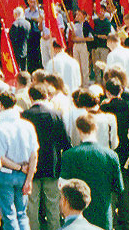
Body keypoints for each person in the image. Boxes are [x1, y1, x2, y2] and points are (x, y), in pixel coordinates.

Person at [61, 113, 123, 230]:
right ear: (96, 128)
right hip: (103, 213)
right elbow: (118, 187)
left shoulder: (69, 155)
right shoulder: (111, 155)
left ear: (79, 129)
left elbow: (63, 185)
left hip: (77, 214)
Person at [27, 84, 75, 230]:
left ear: (30, 97)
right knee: (53, 204)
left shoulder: (25, 115)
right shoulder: (56, 114)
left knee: (32, 205)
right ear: (46, 96)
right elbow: (66, 142)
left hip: (31, 166)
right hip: (52, 165)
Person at [0, 92, 41, 230]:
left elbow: (1, 157)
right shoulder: (28, 126)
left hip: (6, 173)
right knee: (22, 214)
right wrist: (29, 178)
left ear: (0, 104)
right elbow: (34, 154)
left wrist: (19, 168)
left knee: (8, 214)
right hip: (24, 173)